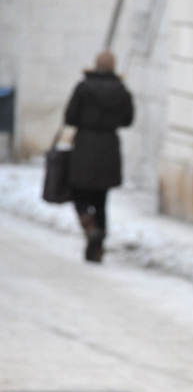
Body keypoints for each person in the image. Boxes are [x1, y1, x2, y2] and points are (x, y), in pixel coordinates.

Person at [64, 50, 134, 262]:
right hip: (109, 147)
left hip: (85, 146)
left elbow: (70, 117)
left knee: (79, 194)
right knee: (101, 200)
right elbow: (128, 120)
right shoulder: (122, 91)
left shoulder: (84, 87)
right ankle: (97, 247)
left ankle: (90, 228)